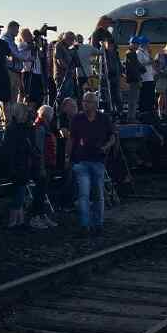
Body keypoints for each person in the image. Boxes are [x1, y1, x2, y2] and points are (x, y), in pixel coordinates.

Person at [65, 91, 117, 237]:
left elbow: (112, 136)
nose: (85, 104)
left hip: (98, 160)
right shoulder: (77, 119)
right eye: (84, 101)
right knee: (84, 194)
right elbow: (71, 139)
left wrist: (106, 147)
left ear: (95, 104)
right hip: (81, 161)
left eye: (88, 101)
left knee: (98, 194)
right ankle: (85, 225)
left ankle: (98, 224)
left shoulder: (104, 118)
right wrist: (67, 157)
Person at [5, 102, 38, 230]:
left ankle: (18, 220)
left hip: (19, 163)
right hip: (19, 163)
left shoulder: (14, 128)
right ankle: (15, 221)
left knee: (20, 193)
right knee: (19, 193)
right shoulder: (21, 129)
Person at [19, 28, 45, 105]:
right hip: (28, 72)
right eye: (26, 35)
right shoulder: (22, 44)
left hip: (37, 73)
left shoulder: (34, 44)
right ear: (22, 36)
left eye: (29, 34)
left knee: (39, 96)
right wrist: (36, 41)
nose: (29, 36)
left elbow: (41, 54)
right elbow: (29, 47)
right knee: (30, 96)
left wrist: (39, 42)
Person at [53, 31, 80, 104]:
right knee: (62, 98)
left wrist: (74, 51)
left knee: (69, 97)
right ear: (67, 39)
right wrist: (68, 68)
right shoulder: (59, 45)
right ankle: (60, 110)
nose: (72, 42)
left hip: (69, 76)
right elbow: (59, 60)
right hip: (62, 76)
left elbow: (76, 63)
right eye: (72, 39)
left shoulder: (68, 48)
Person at [122, 39, 145, 122]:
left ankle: (131, 117)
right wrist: (138, 79)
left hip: (133, 79)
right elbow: (133, 69)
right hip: (134, 80)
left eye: (137, 44)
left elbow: (137, 66)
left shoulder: (132, 53)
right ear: (131, 44)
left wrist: (141, 69)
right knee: (133, 100)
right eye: (135, 44)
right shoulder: (131, 54)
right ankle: (131, 118)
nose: (137, 45)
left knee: (133, 100)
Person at [4, 21, 24, 104]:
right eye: (16, 29)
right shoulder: (6, 40)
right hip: (10, 72)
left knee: (14, 98)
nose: (18, 31)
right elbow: (15, 54)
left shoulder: (11, 40)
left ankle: (11, 112)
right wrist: (27, 58)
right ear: (10, 28)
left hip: (14, 72)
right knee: (9, 99)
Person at [136, 37, 156, 116]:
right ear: (143, 44)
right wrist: (149, 62)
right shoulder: (139, 52)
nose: (149, 45)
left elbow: (151, 61)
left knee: (149, 95)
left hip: (150, 77)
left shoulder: (146, 52)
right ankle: (143, 111)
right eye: (148, 43)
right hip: (144, 78)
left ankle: (149, 110)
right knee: (144, 95)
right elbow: (139, 64)